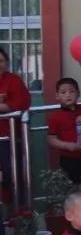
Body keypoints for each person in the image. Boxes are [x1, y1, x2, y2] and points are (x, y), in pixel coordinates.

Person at [47, 79, 81, 200]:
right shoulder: (55, 117)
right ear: (57, 96)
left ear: (78, 93)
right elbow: (51, 139)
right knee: (72, 190)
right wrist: (67, 145)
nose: (68, 95)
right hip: (68, 159)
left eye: (71, 91)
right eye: (63, 92)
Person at [0, 46, 31, 204]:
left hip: (8, 139)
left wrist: (4, 106)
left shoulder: (13, 80)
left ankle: (18, 212)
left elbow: (22, 103)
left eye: (1, 61)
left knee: (12, 175)